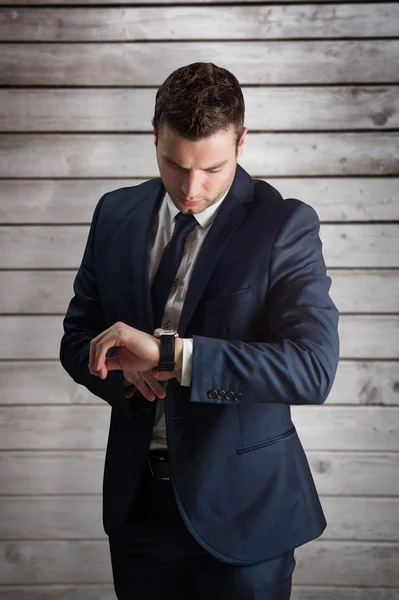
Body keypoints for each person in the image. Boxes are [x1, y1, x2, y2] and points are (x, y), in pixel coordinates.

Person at [60, 62, 340, 600]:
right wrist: (120, 374)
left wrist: (171, 355)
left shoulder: (284, 225)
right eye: (172, 163)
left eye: (212, 167)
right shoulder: (114, 212)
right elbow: (77, 338)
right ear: (154, 132)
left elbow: (313, 368)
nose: (191, 188)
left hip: (245, 515)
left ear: (242, 140)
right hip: (137, 508)